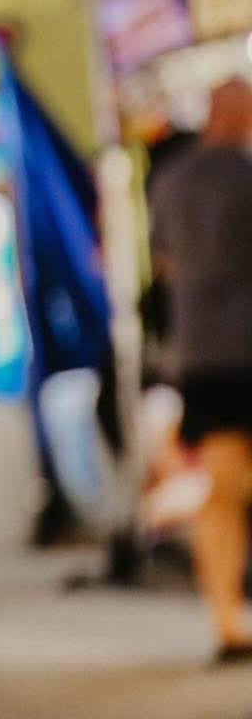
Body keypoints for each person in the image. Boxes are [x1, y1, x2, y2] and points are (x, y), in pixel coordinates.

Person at [149, 77, 252, 664]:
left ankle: (226, 620)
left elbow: (163, 264)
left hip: (203, 356)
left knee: (220, 491)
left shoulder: (170, 181)